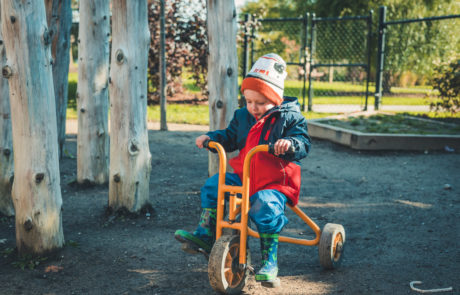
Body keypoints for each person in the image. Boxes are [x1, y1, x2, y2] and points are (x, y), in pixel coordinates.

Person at [175, 53, 311, 284]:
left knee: (265, 206)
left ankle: (270, 260)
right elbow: (229, 138)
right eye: (249, 101)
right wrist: (211, 138)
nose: (254, 108)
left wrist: (290, 144)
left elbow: (303, 143)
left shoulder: (290, 118)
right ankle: (207, 233)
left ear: (276, 99)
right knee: (212, 186)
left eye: (260, 102)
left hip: (274, 181)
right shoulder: (242, 116)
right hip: (244, 175)